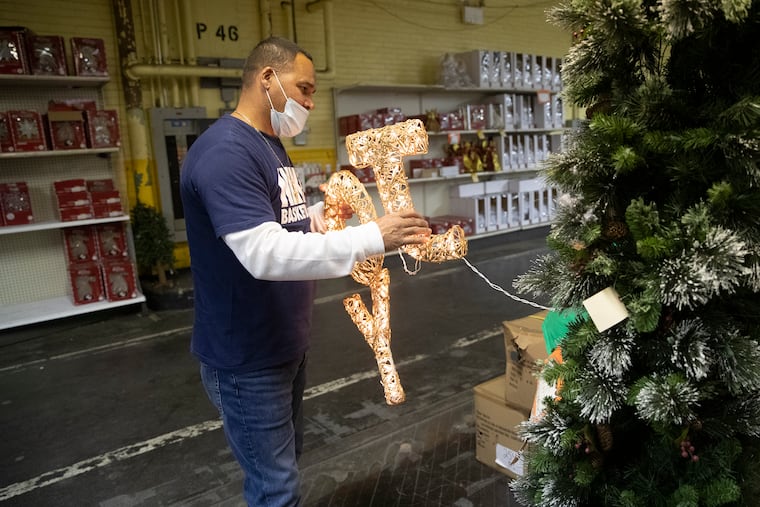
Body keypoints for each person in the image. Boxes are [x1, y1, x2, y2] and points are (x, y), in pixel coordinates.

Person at [179, 36, 431, 507]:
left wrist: (320, 214)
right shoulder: (226, 153)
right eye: (305, 88)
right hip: (246, 356)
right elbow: (263, 253)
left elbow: (283, 223)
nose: (311, 103)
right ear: (267, 78)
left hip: (283, 343)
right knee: (276, 487)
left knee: (285, 464)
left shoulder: (269, 146)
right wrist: (371, 239)